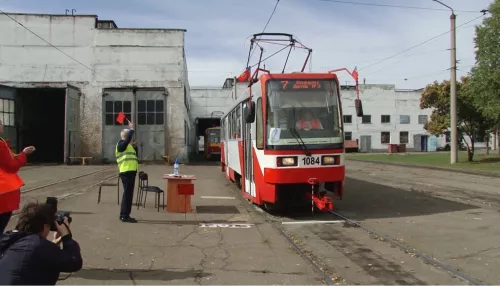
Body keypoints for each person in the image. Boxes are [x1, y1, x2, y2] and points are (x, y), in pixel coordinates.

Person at [0, 202, 83, 285]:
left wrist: (53, 245)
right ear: (45, 227)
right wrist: (66, 236)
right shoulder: (39, 246)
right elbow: (74, 262)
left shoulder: (8, 239)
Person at [0, 119, 35, 233]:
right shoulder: (0, 144)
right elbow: (11, 165)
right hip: (3, 192)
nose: (3, 126)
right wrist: (24, 154)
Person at [116, 121, 139, 223]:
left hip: (131, 172)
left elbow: (135, 157)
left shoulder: (128, 146)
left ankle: (125, 214)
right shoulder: (121, 144)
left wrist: (135, 147)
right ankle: (124, 215)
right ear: (126, 136)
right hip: (126, 172)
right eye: (130, 136)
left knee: (129, 194)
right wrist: (131, 129)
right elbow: (125, 142)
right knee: (127, 195)